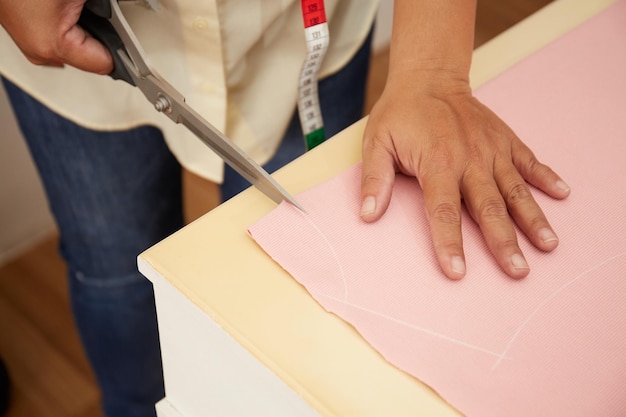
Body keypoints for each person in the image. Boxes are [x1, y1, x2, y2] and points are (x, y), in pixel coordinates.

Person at [0, 0, 570, 416]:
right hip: (76, 44)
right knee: (111, 274)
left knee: (294, 283)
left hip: (296, 39)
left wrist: (433, 73)